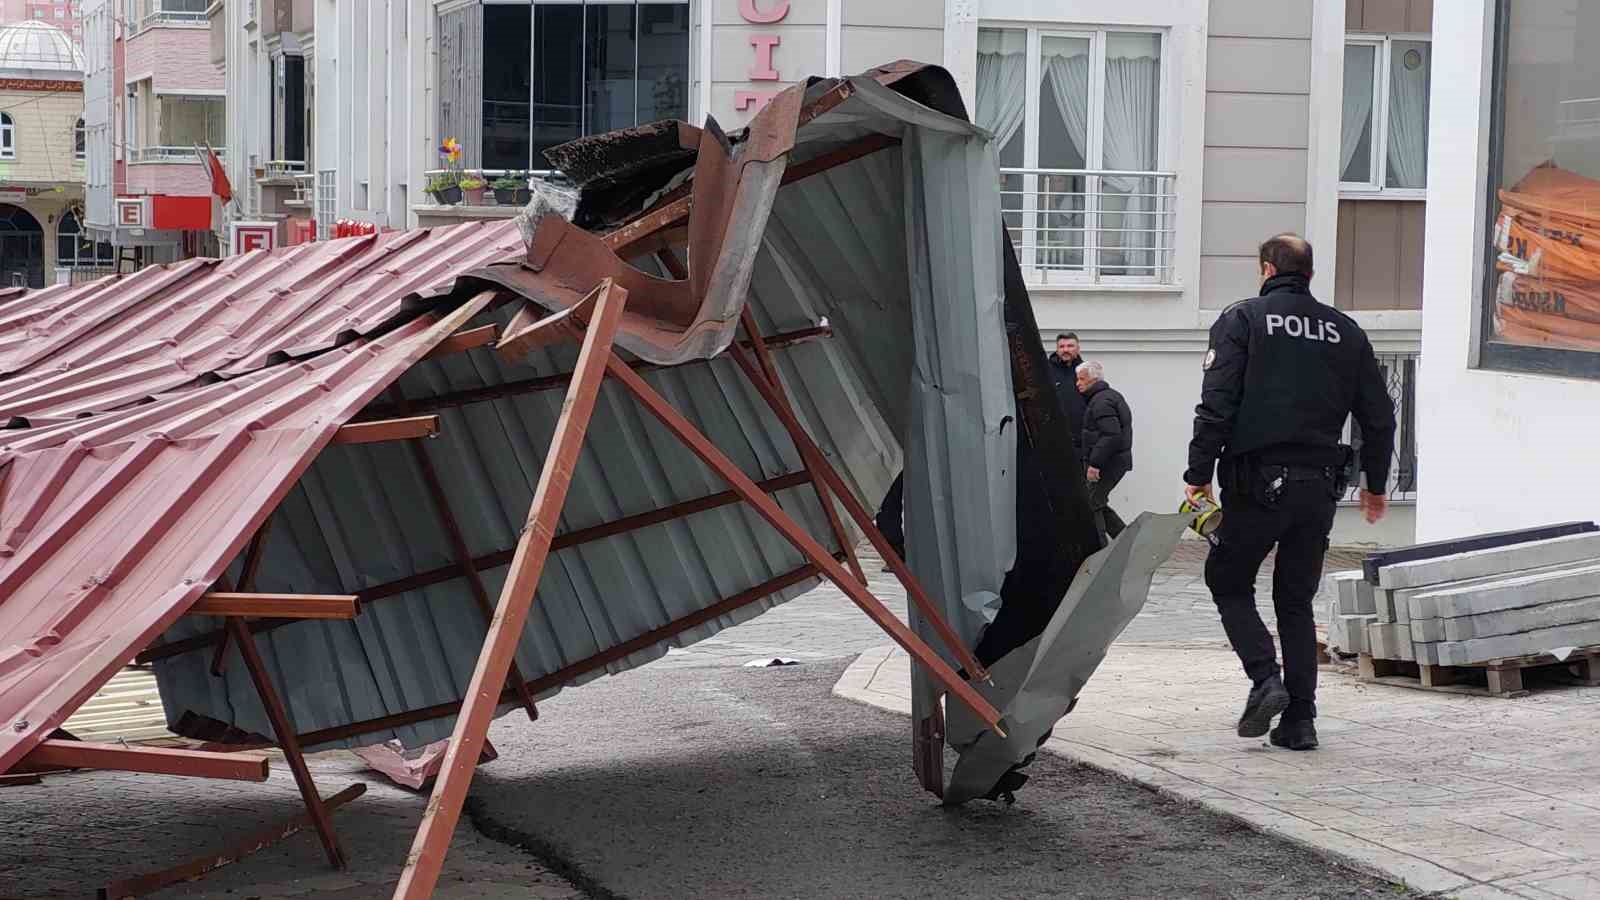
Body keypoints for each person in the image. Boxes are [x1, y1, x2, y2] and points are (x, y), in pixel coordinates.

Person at [1183, 234, 1395, 752]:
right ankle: (1300, 721)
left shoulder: (1244, 320)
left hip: (1257, 483)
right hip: (1319, 489)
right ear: (1309, 274)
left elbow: (1218, 403)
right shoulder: (1346, 331)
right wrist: (1375, 483)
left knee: (1228, 580)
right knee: (1295, 601)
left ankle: (1264, 679)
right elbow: (1379, 416)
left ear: (1265, 268)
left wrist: (1198, 472)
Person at [1076, 360, 1132, 539]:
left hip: (1108, 463)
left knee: (1092, 504)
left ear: (1093, 379)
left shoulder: (1102, 401)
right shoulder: (1105, 397)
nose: (1078, 383)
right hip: (1113, 461)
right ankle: (1127, 544)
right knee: (1097, 502)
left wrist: (1094, 464)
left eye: (1082, 379)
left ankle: (1100, 550)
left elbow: (1111, 435)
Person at [1049, 333, 1087, 439]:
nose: (1065, 350)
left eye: (1070, 346)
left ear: (1078, 348)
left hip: (1081, 437)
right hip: (1054, 437)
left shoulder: (1086, 371)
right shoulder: (1045, 372)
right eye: (1061, 346)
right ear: (1057, 350)